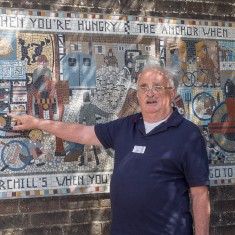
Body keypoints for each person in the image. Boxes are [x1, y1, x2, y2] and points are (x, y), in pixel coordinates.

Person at [8, 65, 210, 235]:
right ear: (137, 94)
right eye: (144, 87)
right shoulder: (125, 126)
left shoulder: (188, 135)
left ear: (171, 93)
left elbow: (200, 195)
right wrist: (38, 122)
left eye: (157, 87)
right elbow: (81, 133)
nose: (150, 93)